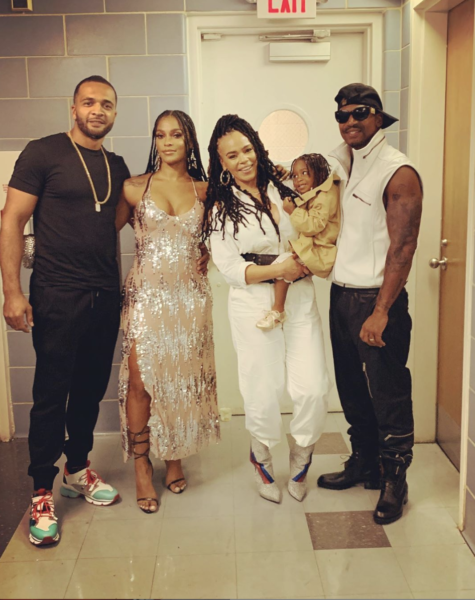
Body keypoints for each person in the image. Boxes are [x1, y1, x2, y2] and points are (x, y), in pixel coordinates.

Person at [0, 76, 129, 546]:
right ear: (73, 108)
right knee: (52, 393)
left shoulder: (116, 164)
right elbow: (11, 220)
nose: (98, 110)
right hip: (57, 293)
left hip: (104, 293)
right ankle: (41, 490)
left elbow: (114, 222)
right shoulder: (43, 152)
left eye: (107, 104)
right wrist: (12, 293)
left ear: (115, 113)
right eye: (89, 102)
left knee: (90, 390)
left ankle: (77, 469)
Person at [204, 114, 331, 503]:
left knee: (312, 387)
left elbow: (317, 223)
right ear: (221, 162)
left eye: (247, 149)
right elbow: (229, 268)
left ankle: (302, 457)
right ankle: (261, 459)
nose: (243, 159)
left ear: (257, 147)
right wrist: (278, 269)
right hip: (252, 304)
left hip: (300, 297)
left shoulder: (284, 187)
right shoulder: (220, 206)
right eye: (232, 155)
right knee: (264, 388)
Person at [317, 83, 423, 525]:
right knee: (351, 388)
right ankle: (364, 462)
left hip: (378, 301)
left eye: (360, 112)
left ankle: (395, 480)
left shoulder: (397, 170)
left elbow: (403, 247)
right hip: (341, 295)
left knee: (388, 391)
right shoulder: (343, 161)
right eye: (342, 115)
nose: (350, 121)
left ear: (379, 117)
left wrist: (381, 311)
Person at [115, 110, 220, 514]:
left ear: (189, 140)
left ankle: (174, 454)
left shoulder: (205, 189)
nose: (168, 142)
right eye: (160, 135)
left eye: (176, 135)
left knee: (180, 378)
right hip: (146, 295)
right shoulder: (133, 188)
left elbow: (225, 237)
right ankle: (142, 465)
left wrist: (209, 252)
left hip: (190, 298)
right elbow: (99, 234)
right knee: (141, 381)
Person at [256, 153, 340, 330]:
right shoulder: (318, 192)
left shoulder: (324, 196)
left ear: (319, 172)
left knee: (284, 264)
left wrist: (292, 211)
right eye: (294, 175)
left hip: (320, 251)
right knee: (284, 265)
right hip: (316, 248)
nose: (298, 179)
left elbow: (313, 225)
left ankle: (278, 310)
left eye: (304, 173)